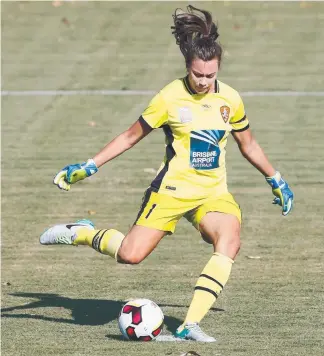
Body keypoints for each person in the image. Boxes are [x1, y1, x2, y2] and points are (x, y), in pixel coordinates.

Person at [40, 5, 294, 342]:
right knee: (130, 255)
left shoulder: (230, 100)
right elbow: (131, 136)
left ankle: (189, 323)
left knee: (228, 241)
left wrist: (274, 178)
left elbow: (248, 144)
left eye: (210, 75)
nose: (203, 81)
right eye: (197, 74)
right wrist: (90, 165)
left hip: (212, 194)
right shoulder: (169, 97)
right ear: (188, 67)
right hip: (171, 191)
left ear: (218, 69)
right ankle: (82, 232)